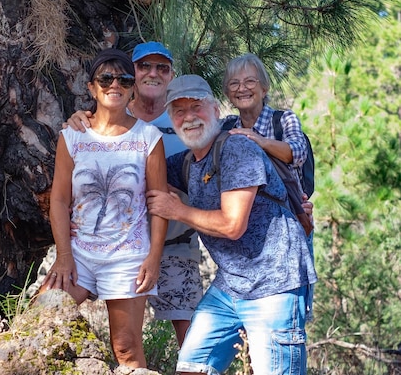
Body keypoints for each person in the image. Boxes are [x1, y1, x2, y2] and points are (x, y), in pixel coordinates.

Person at [146, 74, 317, 375]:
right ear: (171, 119)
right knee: (191, 367)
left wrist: (178, 209)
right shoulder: (187, 162)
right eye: (179, 111)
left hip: (274, 284)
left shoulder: (237, 150)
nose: (189, 117)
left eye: (196, 107)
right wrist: (91, 123)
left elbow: (232, 224)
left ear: (215, 110)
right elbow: (138, 166)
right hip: (232, 285)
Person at [65, 42, 204, 346]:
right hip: (110, 247)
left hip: (174, 245)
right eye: (144, 67)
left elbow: (222, 171)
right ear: (132, 74)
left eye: (162, 68)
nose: (153, 73)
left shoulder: (186, 120)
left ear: (171, 75)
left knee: (192, 342)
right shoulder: (98, 119)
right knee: (55, 318)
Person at [40, 48, 169, 368]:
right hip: (80, 255)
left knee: (125, 349)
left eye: (124, 80)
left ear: (132, 88)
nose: (115, 85)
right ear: (91, 88)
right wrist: (64, 255)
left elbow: (159, 202)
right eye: (105, 78)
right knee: (40, 320)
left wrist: (153, 258)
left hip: (128, 259)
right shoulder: (72, 136)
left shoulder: (148, 138)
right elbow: (59, 199)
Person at [221, 53, 315, 320]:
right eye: (234, 84)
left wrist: (259, 141)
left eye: (250, 81)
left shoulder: (283, 120)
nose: (242, 88)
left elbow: (297, 152)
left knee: (290, 315)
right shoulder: (226, 127)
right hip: (245, 235)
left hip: (290, 229)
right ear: (228, 93)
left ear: (264, 87)